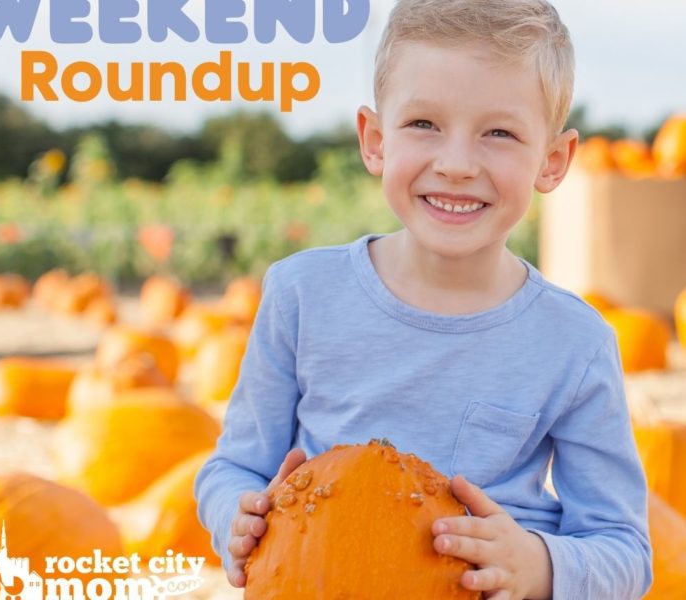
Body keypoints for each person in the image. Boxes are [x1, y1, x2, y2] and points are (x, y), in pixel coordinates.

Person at [194, 0, 652, 597]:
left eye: (499, 133)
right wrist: (236, 514)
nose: (457, 164)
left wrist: (537, 563)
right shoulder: (301, 295)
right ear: (375, 140)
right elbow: (232, 468)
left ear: (553, 160)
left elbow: (624, 549)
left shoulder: (575, 342)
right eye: (423, 125)